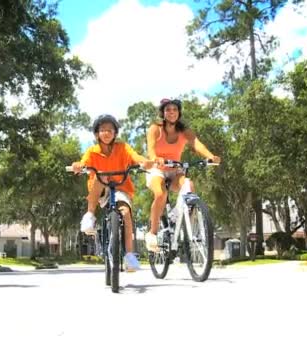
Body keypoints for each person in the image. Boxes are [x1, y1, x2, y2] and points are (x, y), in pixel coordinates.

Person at [71, 114, 154, 272]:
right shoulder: (92, 151)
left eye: (110, 130)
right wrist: (78, 166)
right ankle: (90, 215)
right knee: (100, 173)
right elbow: (83, 163)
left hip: (121, 186)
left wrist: (144, 162)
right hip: (100, 188)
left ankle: (129, 255)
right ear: (97, 134)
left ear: (115, 133)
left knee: (126, 213)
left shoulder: (123, 147)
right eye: (102, 130)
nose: (106, 133)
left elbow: (135, 157)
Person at [144, 98, 221, 252]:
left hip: (175, 169)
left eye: (174, 110)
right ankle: (152, 233)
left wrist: (210, 156)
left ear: (179, 113)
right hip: (157, 168)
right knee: (160, 193)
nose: (171, 112)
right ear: (163, 113)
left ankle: (177, 217)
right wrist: (155, 159)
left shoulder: (184, 131)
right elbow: (151, 148)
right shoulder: (155, 128)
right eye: (168, 110)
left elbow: (197, 144)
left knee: (189, 186)